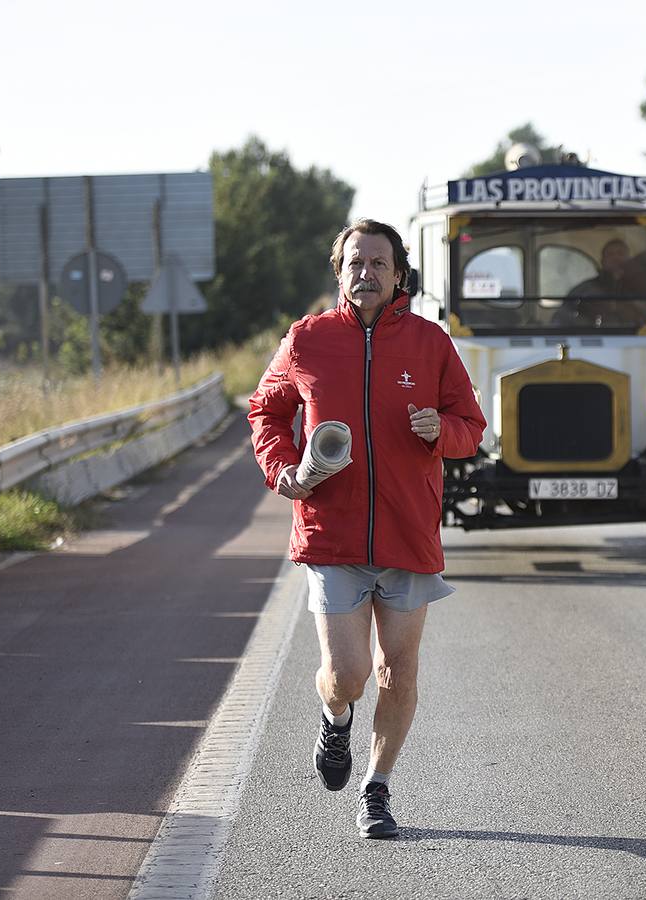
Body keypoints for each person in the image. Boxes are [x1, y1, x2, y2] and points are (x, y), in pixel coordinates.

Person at [248, 219, 486, 839]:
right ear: (339, 272)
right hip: (332, 533)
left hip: (409, 536)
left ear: (399, 274)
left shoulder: (431, 342)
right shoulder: (306, 340)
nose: (366, 273)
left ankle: (377, 791)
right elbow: (265, 409)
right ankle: (335, 714)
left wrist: (445, 431)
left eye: (379, 263)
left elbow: (471, 424)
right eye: (356, 262)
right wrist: (282, 469)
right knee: (349, 674)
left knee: (398, 672)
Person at [564, 238, 646, 327]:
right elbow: (564, 318)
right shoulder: (585, 289)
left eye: (620, 253)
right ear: (602, 261)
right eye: (610, 254)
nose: (616, 258)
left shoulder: (643, 287)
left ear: (629, 259)